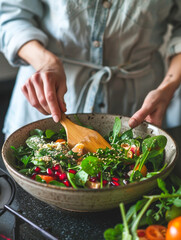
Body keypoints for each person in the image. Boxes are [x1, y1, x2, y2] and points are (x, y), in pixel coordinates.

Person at [0, 0, 181, 138]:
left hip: (138, 106)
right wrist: (46, 63)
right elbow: (10, 15)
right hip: (47, 93)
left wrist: (169, 86)